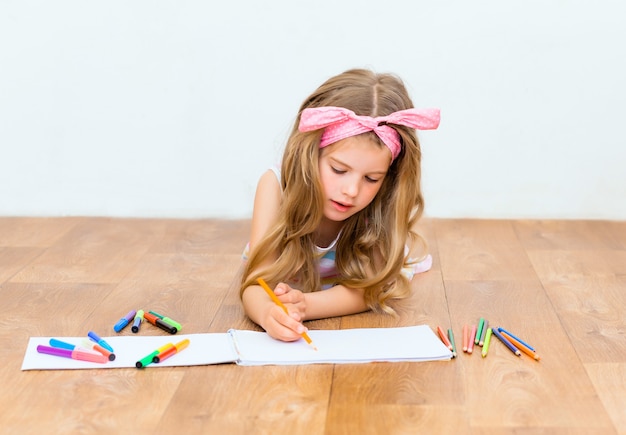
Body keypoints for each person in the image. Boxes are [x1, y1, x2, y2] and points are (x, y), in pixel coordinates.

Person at [239, 68, 440, 342]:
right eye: (338, 169)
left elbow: (368, 290)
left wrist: (305, 306)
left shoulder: (381, 204)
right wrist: (266, 313)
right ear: (310, 154)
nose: (351, 191)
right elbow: (255, 284)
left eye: (371, 178)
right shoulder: (274, 187)